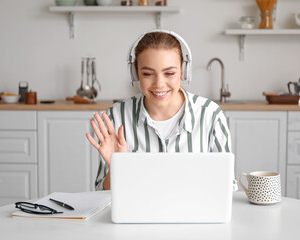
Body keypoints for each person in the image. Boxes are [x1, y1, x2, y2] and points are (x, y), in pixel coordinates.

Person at [86, 29, 232, 191]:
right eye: (148, 74)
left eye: (169, 73)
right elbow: (102, 194)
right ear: (135, 74)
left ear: (184, 71)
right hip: (134, 216)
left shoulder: (210, 115)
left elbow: (227, 187)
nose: (159, 84)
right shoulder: (116, 117)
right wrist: (116, 165)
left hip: (195, 215)